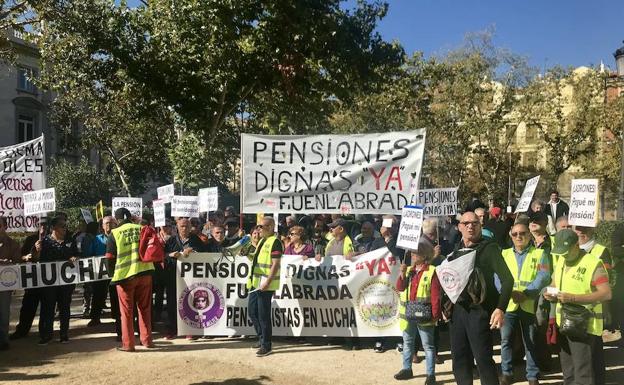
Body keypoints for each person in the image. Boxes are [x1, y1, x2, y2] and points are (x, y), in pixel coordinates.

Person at [448, 211, 514, 385]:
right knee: (459, 359)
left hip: (480, 311)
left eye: (475, 223)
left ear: (480, 226)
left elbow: (508, 280)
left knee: (483, 360)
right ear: (459, 227)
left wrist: (500, 308)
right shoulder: (455, 250)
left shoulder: (490, 248)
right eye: (466, 223)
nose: (471, 226)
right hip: (458, 312)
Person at [544, 229, 611, 385]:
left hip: (584, 326)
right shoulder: (561, 260)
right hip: (565, 324)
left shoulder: (593, 263)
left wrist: (573, 298)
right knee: (568, 373)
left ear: (576, 245)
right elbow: (555, 283)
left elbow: (606, 293)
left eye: (567, 251)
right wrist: (550, 292)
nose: (564, 255)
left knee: (583, 374)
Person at [498, 223, 550, 385]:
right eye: (515, 234)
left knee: (530, 341)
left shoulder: (540, 254)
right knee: (506, 341)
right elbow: (497, 277)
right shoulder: (504, 254)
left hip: (528, 303)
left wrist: (526, 293)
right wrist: (509, 293)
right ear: (510, 235)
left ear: (529, 234)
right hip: (509, 304)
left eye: (522, 233)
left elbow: (543, 276)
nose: (519, 237)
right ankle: (507, 373)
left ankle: (532, 376)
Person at [106, 208, 155, 352]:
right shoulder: (141, 228)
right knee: (145, 309)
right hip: (145, 273)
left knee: (126, 312)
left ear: (117, 220)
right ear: (130, 217)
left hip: (125, 277)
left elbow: (109, 258)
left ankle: (128, 344)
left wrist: (111, 275)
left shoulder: (114, 234)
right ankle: (147, 341)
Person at [393, 241, 441, 385]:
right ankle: (407, 369)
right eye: (412, 252)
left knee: (428, 346)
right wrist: (401, 274)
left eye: (416, 253)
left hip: (425, 314)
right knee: (408, 342)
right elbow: (400, 288)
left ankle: (430, 375)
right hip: (408, 314)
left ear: (424, 255)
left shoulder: (432, 271)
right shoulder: (407, 270)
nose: (412, 255)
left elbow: (435, 295)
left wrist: (435, 315)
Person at [33, 216, 78, 345]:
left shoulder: (70, 241)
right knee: (48, 308)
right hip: (48, 283)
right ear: (53, 228)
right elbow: (35, 259)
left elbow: (76, 254)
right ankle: (46, 335)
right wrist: (37, 250)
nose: (65, 228)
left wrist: (74, 257)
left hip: (65, 283)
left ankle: (64, 334)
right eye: (62, 226)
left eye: (65, 226)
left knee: (65, 307)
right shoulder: (44, 242)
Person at [245, 216, 282, 357]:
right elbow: (258, 259)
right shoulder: (263, 240)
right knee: (252, 312)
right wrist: (248, 254)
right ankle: (261, 339)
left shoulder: (275, 242)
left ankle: (267, 345)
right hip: (255, 283)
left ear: (271, 227)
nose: (258, 229)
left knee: (263, 315)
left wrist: (268, 281)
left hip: (265, 284)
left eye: (261, 226)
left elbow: (275, 264)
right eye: (258, 226)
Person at [164, 217, 205, 338]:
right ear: (177, 227)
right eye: (182, 226)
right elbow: (163, 255)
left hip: (191, 277)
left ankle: (189, 329)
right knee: (172, 303)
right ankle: (172, 328)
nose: (184, 228)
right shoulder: (171, 240)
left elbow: (204, 255)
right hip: (173, 276)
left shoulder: (196, 240)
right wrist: (171, 254)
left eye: (187, 226)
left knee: (190, 302)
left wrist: (194, 253)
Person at [10, 220, 46, 340]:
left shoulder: (52, 240)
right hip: (32, 279)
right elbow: (20, 257)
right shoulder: (30, 240)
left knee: (47, 306)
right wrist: (27, 257)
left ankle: (45, 332)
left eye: (46, 225)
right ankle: (22, 330)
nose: (44, 228)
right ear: (37, 227)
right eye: (42, 225)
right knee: (28, 306)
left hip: (47, 280)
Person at [87, 217, 116, 327]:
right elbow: (90, 253)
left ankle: (117, 317)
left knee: (115, 294)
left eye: (111, 223)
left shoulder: (118, 237)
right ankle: (95, 318)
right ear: (102, 226)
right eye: (106, 223)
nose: (108, 225)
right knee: (98, 294)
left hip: (115, 271)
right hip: (100, 272)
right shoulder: (96, 239)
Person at [0, 217, 22, 350]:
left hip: (4, 286)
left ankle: (3, 340)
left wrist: (10, 263)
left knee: (3, 313)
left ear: (5, 227)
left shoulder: (13, 244)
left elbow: (18, 262)